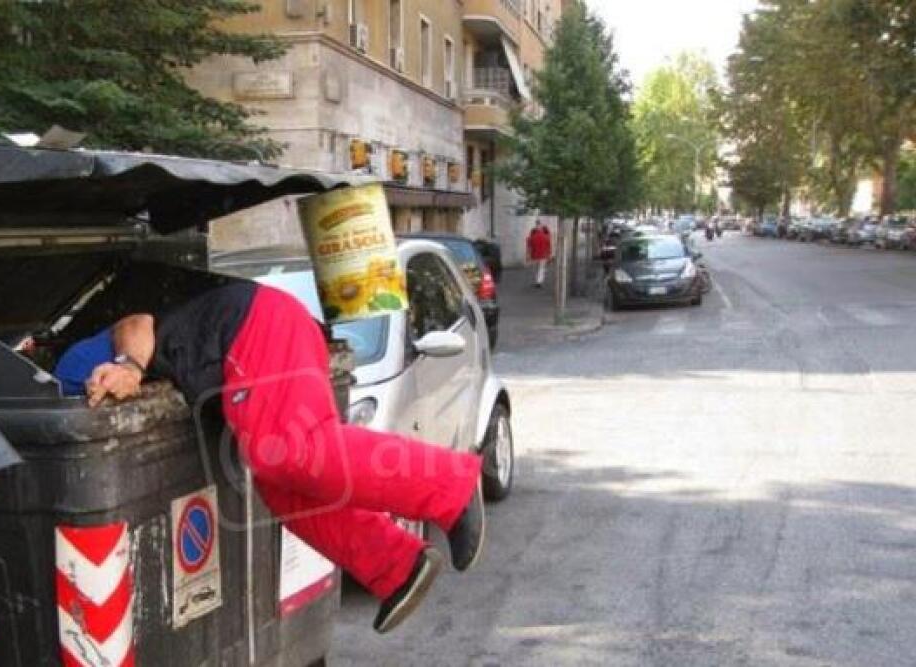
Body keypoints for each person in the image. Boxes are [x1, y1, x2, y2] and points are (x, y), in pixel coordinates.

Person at [53, 280, 485, 634]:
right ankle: (397, 566)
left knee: (285, 449)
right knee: (284, 492)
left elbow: (136, 324)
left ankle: (452, 487)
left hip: (256, 325)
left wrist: (126, 365)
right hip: (268, 333)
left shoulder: (78, 359)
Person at [526, 221, 553, 288]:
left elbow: (529, 247)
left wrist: (528, 256)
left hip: (534, 255)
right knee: (541, 269)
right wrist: (549, 256)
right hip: (543, 255)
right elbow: (549, 247)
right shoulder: (546, 237)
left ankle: (537, 280)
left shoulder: (531, 237)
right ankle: (539, 281)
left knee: (536, 269)